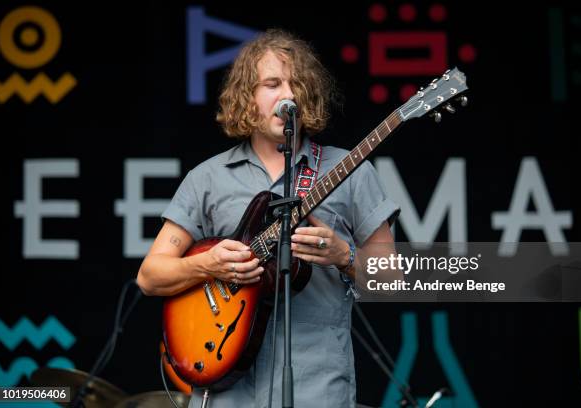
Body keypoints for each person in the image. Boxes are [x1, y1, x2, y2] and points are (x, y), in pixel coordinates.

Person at [137, 29, 399, 408]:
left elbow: (392, 279)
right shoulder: (207, 178)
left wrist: (344, 256)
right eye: (272, 84)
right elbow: (150, 275)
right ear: (247, 96)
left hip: (317, 384)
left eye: (297, 85)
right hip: (227, 387)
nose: (288, 95)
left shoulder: (351, 170)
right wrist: (209, 264)